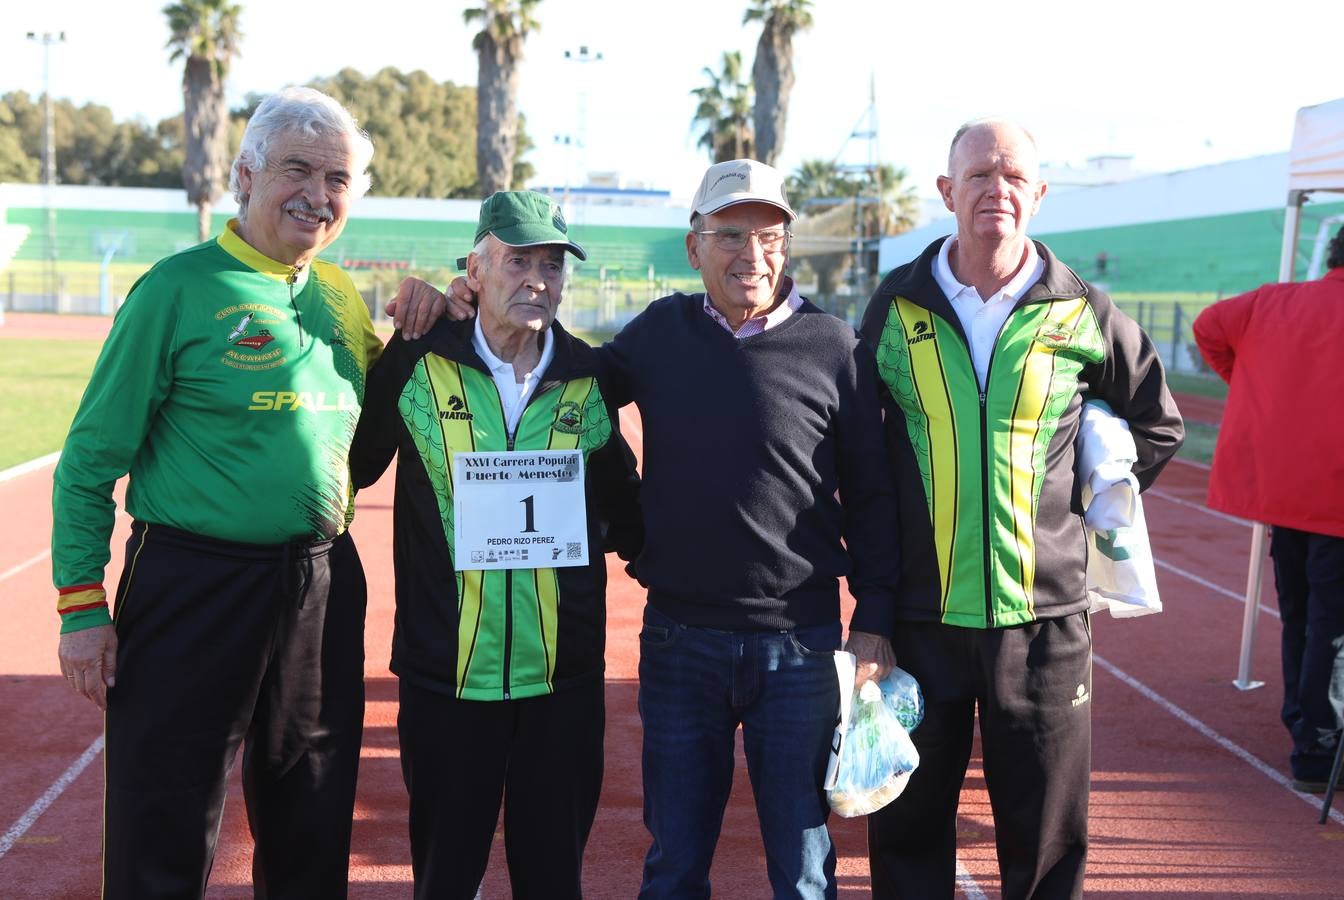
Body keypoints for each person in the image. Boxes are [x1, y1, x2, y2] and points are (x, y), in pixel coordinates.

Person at [390, 158, 900, 898]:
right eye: (728, 234)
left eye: (767, 235)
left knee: (802, 868)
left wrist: (876, 619)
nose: (749, 254)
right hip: (679, 647)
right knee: (673, 864)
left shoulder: (837, 348)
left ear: (787, 245)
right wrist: (454, 302)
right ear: (694, 247)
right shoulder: (659, 333)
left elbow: (875, 495)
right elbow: (561, 377)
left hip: (801, 644)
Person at [51, 86, 382, 898]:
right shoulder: (177, 289)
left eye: (337, 178)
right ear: (245, 174)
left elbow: (362, 452)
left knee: (310, 815)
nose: (318, 194)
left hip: (318, 580)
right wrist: (82, 608)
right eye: (297, 170)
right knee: (163, 816)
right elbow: (90, 459)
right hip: (193, 582)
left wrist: (435, 320)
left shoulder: (340, 296)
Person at [858, 119, 1184, 899]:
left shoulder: (1083, 310)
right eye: (977, 176)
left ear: (1037, 194)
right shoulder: (896, 306)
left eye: (1012, 177)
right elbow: (858, 449)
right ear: (947, 192)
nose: (994, 191)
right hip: (920, 619)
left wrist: (1090, 503)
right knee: (904, 827)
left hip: (1044, 622)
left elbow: (1157, 422)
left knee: (1044, 841)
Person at [348, 190, 642, 898]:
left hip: (559, 684)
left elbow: (625, 510)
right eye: (518, 261)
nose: (538, 279)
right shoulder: (417, 360)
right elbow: (351, 468)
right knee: (445, 878)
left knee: (553, 880)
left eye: (552, 264)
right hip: (445, 679)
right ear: (474, 271)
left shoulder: (589, 377)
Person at [1193, 222, 1344, 794]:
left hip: (1284, 489)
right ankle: (1317, 747)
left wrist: (1249, 380)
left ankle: (1306, 725)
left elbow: (1207, 327)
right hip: (1339, 496)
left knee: (1304, 615)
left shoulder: (1272, 301)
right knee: (1332, 625)